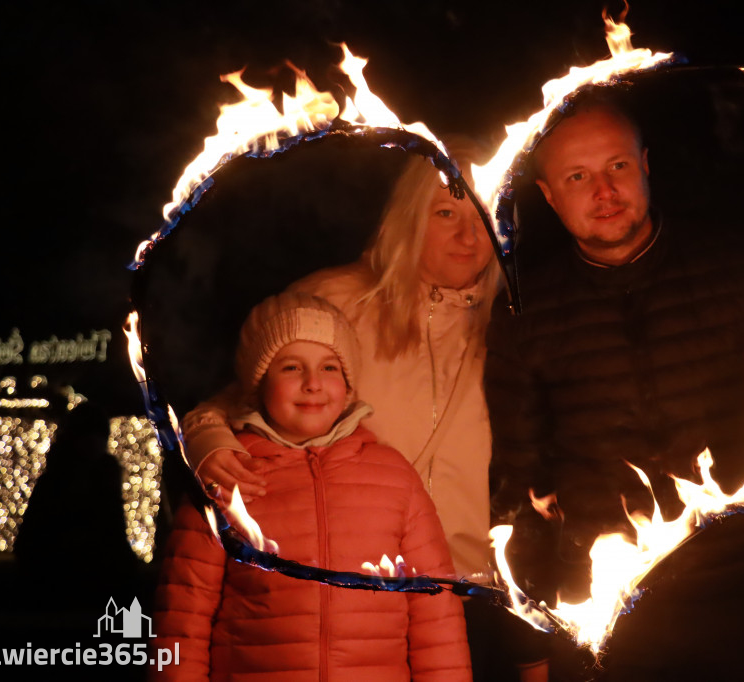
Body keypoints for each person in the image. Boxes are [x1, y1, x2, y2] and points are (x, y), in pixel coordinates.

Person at [486, 97, 744, 681]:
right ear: (549, 195)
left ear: (646, 165)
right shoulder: (525, 311)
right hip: (613, 614)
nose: (603, 191)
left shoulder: (740, 263)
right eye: (578, 177)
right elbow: (517, 473)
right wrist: (531, 637)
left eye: (617, 167)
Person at [181, 139, 547, 681]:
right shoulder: (338, 300)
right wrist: (208, 439)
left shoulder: (513, 320)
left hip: (464, 597)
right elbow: (246, 394)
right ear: (408, 218)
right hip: (350, 601)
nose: (468, 236)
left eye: (480, 213)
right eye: (446, 212)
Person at [152, 292, 471, 680]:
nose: (313, 384)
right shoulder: (228, 476)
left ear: (349, 383)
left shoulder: (394, 477)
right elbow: (184, 614)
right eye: (290, 367)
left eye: (330, 368)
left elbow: (437, 618)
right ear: (257, 384)